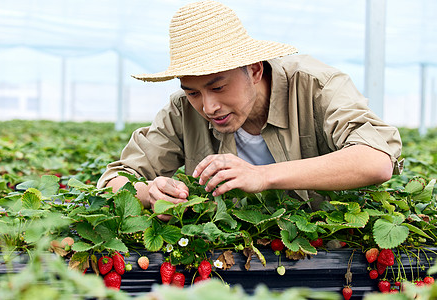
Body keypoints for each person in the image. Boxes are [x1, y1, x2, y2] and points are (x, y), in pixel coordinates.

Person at [97, 0, 403, 219]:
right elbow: (115, 180)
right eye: (192, 91)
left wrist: (263, 176)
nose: (208, 106)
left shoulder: (317, 86)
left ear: (254, 70)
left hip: (321, 247)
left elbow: (375, 160)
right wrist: (149, 193)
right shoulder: (182, 110)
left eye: (218, 87)